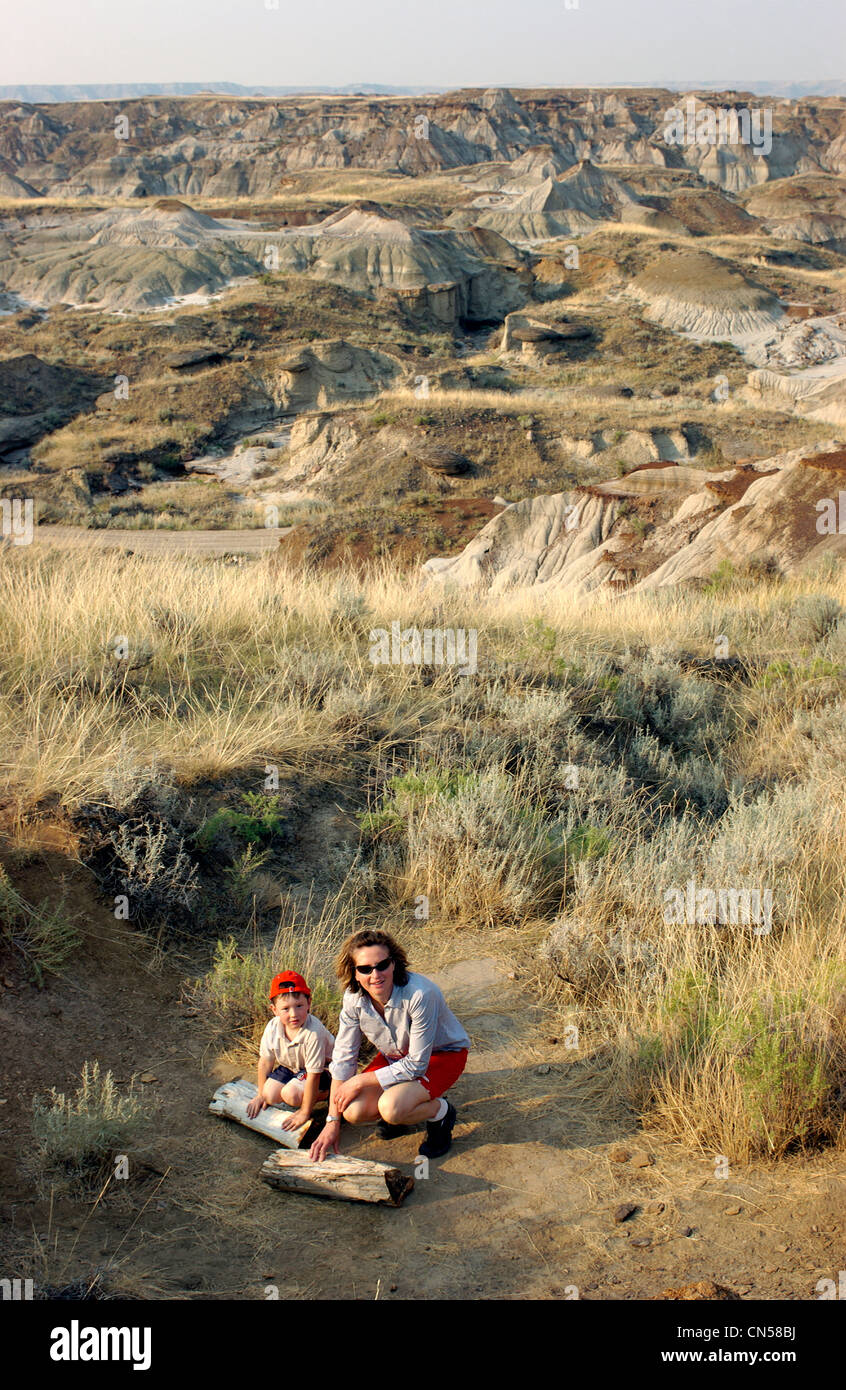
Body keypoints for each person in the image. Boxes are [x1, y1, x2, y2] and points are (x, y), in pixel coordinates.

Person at [309, 929, 469, 1164]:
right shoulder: (353, 999)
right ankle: (399, 1114)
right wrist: (332, 1122)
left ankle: (441, 1113)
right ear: (354, 973)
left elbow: (416, 1064)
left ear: (394, 963)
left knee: (391, 1108)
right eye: (365, 969)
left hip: (442, 1055)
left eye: (382, 965)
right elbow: (343, 1057)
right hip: (395, 1056)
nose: (375, 975)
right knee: (352, 1111)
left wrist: (360, 1080)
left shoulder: (420, 994)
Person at [246, 970, 335, 1133]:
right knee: (269, 1094)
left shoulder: (313, 1032)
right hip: (292, 1066)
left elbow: (314, 1073)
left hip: (323, 1069)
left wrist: (304, 1112)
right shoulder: (273, 1027)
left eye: (299, 1006)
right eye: (285, 1009)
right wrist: (260, 1095)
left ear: (309, 1002)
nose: (294, 1014)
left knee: (291, 1095)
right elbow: (266, 1061)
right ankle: (296, 1087)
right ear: (274, 1010)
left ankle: (326, 1093)